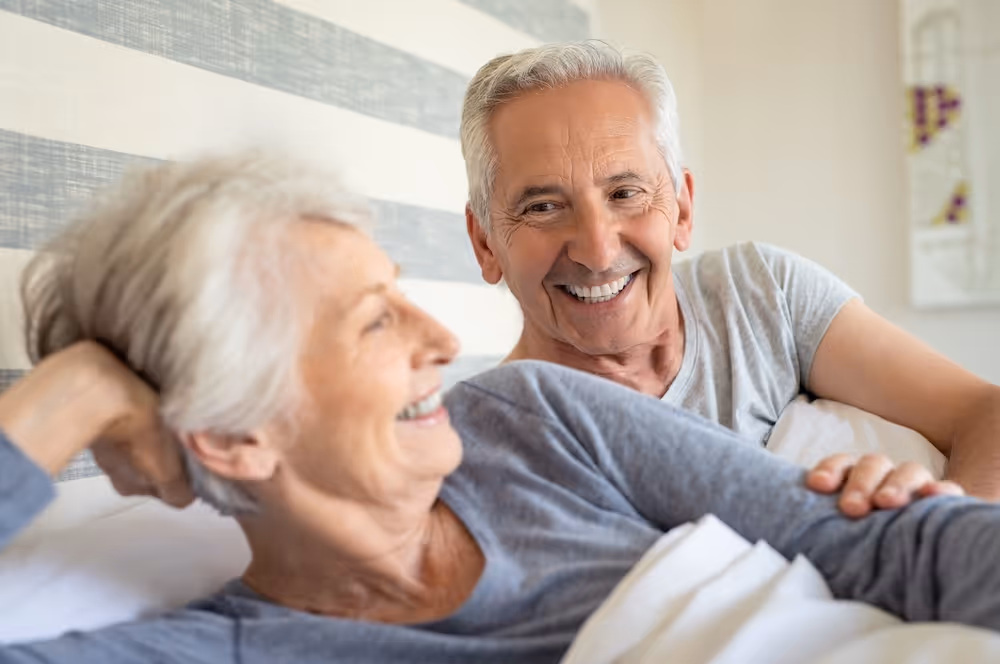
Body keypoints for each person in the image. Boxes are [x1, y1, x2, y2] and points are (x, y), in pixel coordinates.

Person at [0, 153, 989, 664]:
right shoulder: (230, 650)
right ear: (232, 435)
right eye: (372, 322)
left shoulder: (535, 414)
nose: (437, 336)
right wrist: (66, 397)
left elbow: (895, 550)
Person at [459, 41, 1000, 501]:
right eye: (543, 207)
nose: (598, 252)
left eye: (626, 193)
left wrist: (947, 542)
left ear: (683, 209)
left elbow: (984, 413)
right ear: (485, 243)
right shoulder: (477, 444)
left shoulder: (760, 293)